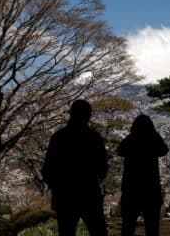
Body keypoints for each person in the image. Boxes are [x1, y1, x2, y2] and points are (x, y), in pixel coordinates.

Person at [41, 100, 108, 236]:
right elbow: (102, 168)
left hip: (64, 194)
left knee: (66, 231)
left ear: (70, 114)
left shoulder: (59, 137)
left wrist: (56, 186)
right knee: (98, 231)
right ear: (89, 115)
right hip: (89, 192)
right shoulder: (94, 138)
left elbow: (47, 168)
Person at [117, 114, 169, 236]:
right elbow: (164, 150)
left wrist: (132, 135)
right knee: (152, 227)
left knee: (127, 226)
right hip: (151, 187)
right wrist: (154, 134)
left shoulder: (131, 140)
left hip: (131, 187)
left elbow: (120, 150)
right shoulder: (153, 140)